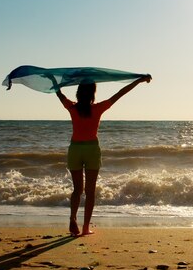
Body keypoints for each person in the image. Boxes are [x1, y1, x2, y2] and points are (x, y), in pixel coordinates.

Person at [54, 75, 151, 236]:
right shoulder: (98, 108)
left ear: (78, 93)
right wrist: (138, 81)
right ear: (93, 94)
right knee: (90, 191)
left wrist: (52, 80)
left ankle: (72, 219)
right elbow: (120, 93)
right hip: (92, 150)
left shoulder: (71, 107)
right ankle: (85, 228)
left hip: (75, 150)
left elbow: (59, 93)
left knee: (77, 189)